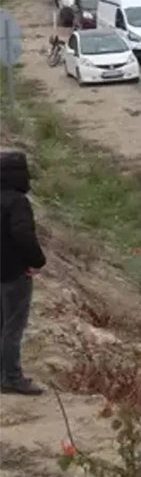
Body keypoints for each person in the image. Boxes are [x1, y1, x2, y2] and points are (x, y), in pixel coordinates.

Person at [1, 151, 47, 396]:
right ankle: (11, 377)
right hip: (14, 273)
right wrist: (36, 261)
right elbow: (23, 235)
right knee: (13, 327)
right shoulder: (17, 202)